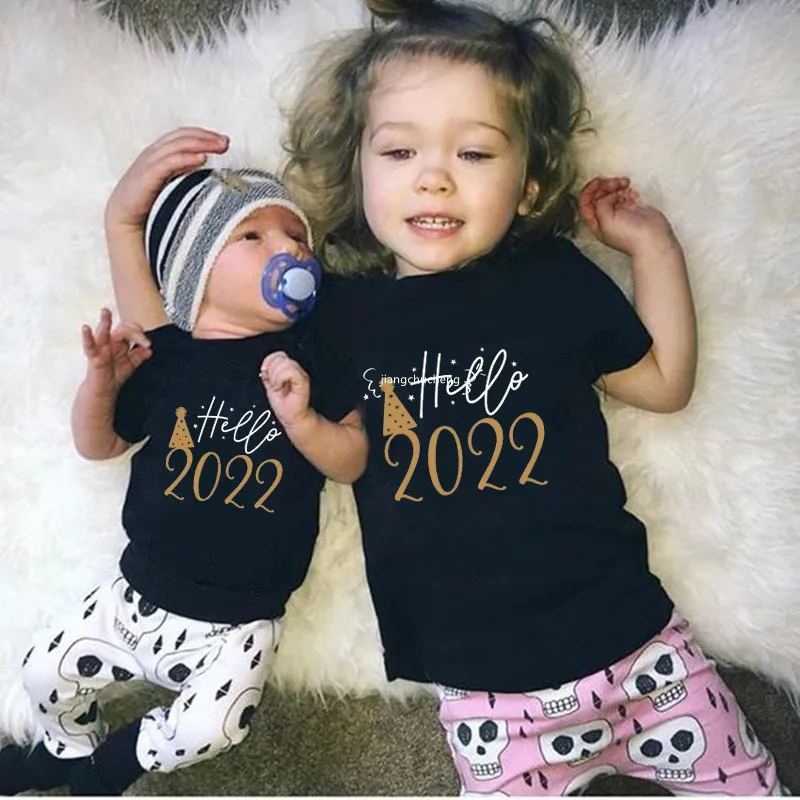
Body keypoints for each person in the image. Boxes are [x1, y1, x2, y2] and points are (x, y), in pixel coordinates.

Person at [277, 0, 788, 795]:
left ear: (529, 185)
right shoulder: (344, 316)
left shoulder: (552, 279)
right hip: (489, 697)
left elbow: (663, 384)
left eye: (475, 152)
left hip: (639, 647)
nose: (434, 175)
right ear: (358, 170)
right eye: (400, 150)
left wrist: (652, 246)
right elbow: (349, 458)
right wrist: (303, 421)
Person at [0, 158, 367, 795]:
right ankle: (64, 747)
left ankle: (119, 762)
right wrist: (100, 384)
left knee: (218, 726)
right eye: (252, 236)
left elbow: (353, 459)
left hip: (238, 624)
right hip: (131, 598)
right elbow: (99, 444)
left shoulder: (310, 361)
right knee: (41, 672)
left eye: (297, 237)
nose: (290, 249)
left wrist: (304, 421)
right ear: (196, 272)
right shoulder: (167, 355)